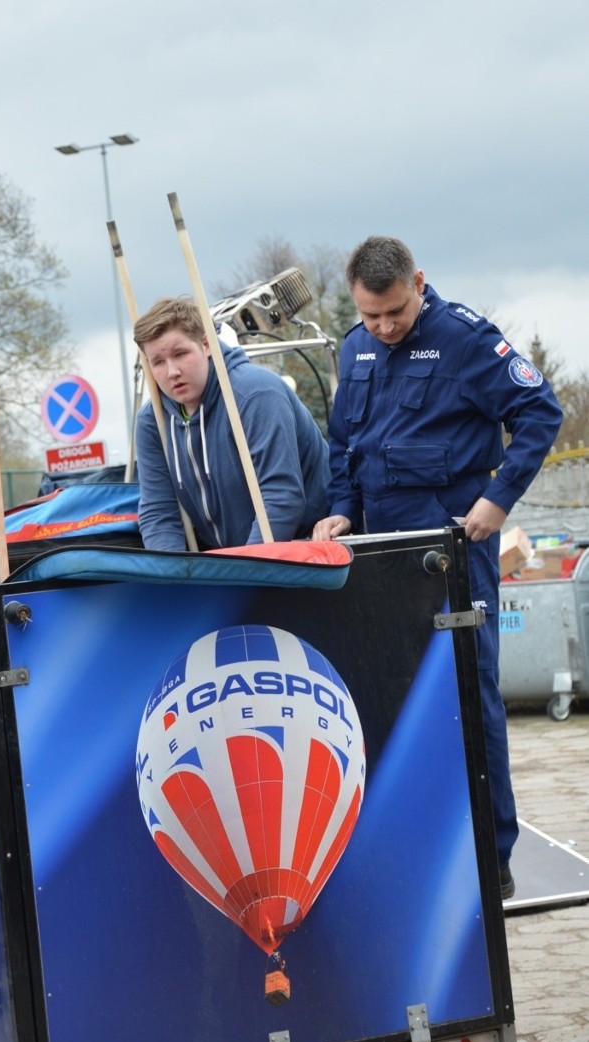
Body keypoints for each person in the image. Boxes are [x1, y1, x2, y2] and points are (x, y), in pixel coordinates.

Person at [313, 236, 563, 900]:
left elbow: (541, 414)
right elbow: (346, 444)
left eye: (394, 312)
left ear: (418, 283)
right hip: (377, 553)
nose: (385, 328)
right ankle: (413, 847)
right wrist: (340, 510)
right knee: (390, 696)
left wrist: (496, 501)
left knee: (469, 696)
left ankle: (492, 856)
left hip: (451, 548)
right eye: (371, 316)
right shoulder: (354, 347)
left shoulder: (467, 341)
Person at [133, 296, 329, 550]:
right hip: (233, 563)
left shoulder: (256, 394)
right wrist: (175, 582)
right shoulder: (153, 422)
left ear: (206, 344)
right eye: (158, 361)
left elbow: (281, 498)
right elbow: (159, 512)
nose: (172, 371)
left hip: (313, 552)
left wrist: (244, 574)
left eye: (180, 354)